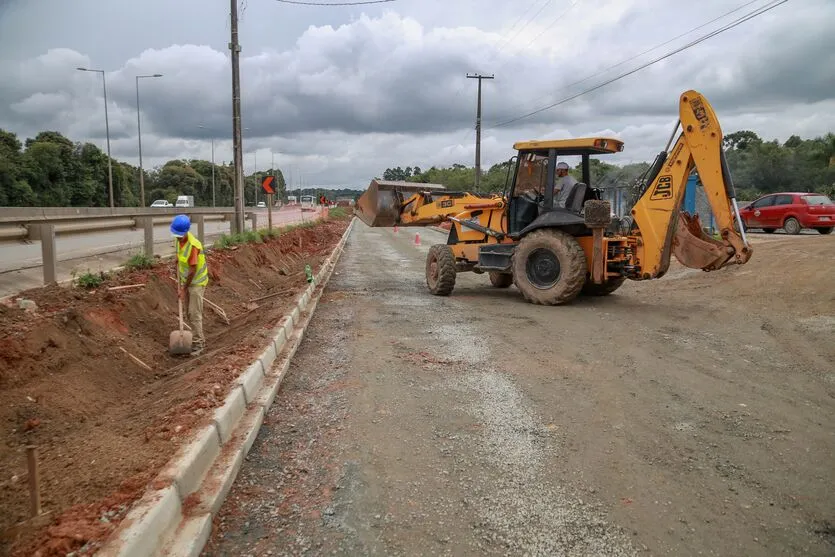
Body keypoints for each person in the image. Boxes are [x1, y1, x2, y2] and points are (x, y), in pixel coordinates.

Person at [170, 214, 208, 355]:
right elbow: (181, 255)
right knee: (188, 312)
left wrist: (183, 289)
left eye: (179, 234)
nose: (177, 237)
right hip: (187, 281)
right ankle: (194, 338)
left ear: (186, 231)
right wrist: (177, 260)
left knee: (194, 313)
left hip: (196, 282)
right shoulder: (179, 240)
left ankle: (199, 344)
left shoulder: (193, 246)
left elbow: (192, 270)